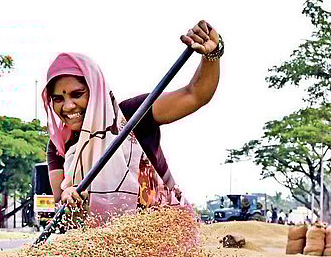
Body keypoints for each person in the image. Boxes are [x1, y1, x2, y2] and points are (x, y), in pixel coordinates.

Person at [43, 20, 222, 226]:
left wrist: (212, 55)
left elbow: (195, 95)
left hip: (162, 230)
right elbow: (61, 200)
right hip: (101, 241)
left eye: (77, 94)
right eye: (58, 99)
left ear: (96, 90)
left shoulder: (130, 115)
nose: (68, 106)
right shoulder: (59, 144)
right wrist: (69, 195)